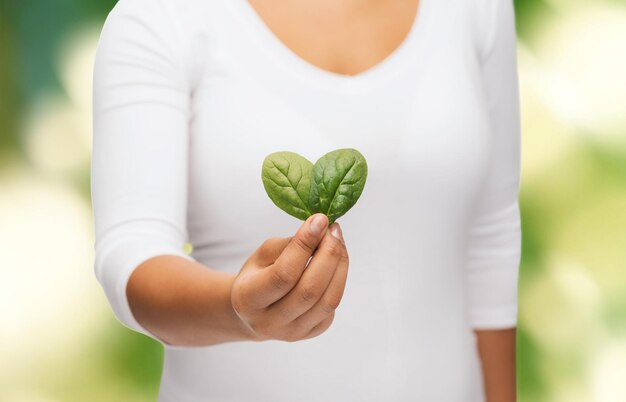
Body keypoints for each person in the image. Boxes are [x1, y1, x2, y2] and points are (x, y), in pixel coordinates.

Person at [91, 0, 521, 400]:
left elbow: (491, 236)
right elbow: (132, 253)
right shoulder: (161, 16)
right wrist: (237, 308)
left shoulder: (475, 8)